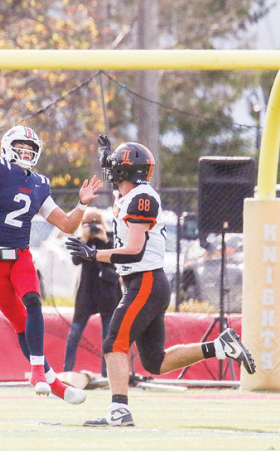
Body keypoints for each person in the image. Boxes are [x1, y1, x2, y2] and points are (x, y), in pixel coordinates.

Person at [66, 135, 256, 426]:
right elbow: (121, 188)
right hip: (143, 284)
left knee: (113, 343)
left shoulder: (141, 197)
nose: (110, 169)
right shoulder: (129, 194)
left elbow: (134, 251)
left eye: (115, 165)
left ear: (127, 171)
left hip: (145, 282)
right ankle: (219, 347)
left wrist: (94, 253)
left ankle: (119, 410)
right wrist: (109, 157)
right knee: (155, 361)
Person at [0, 113, 102, 405]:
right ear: (8, 146)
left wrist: (81, 204)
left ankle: (37, 373)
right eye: (21, 146)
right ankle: (52, 382)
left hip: (20, 256)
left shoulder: (40, 183)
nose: (26, 152)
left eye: (31, 148)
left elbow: (67, 225)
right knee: (20, 322)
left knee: (33, 301)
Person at [64, 207, 122, 377]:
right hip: (87, 292)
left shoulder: (109, 238)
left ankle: (107, 375)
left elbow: (116, 258)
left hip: (108, 293)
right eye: (89, 224)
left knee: (108, 336)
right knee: (74, 333)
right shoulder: (82, 240)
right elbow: (75, 261)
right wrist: (84, 239)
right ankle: (67, 371)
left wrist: (104, 239)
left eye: (96, 223)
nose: (93, 227)